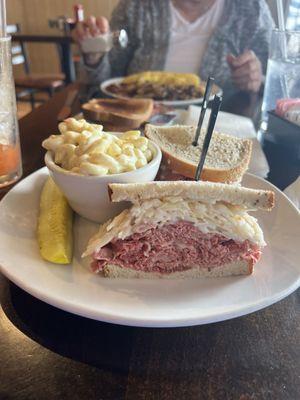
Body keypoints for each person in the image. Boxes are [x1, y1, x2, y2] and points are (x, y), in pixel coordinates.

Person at [73, 0, 274, 94]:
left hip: (218, 127)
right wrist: (94, 59)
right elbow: (103, 85)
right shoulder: (136, 6)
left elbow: (276, 87)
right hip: (138, 126)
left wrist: (257, 79)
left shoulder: (251, 9)